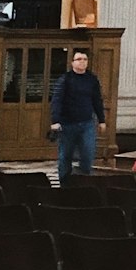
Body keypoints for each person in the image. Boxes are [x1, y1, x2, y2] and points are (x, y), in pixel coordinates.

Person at [50, 48, 106, 184]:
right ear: (72, 62)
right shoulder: (65, 79)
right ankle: (64, 184)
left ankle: (84, 182)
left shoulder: (92, 79)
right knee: (65, 156)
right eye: (79, 59)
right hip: (67, 123)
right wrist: (55, 120)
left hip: (86, 123)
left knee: (88, 154)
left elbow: (97, 100)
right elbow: (57, 100)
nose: (82, 62)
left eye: (85, 59)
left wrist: (101, 120)